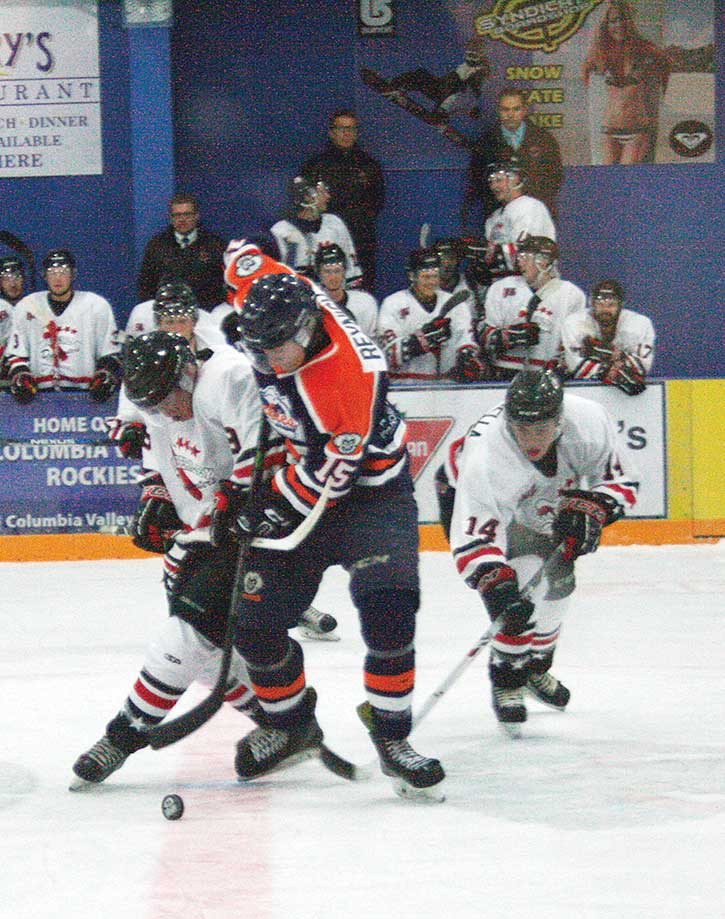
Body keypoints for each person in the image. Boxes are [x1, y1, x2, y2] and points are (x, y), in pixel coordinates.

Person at [212, 244, 445, 800]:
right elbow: (238, 255)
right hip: (308, 464)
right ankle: (291, 726)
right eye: (257, 348)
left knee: (389, 607)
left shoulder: (346, 387)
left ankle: (392, 736)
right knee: (252, 620)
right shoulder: (273, 293)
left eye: (275, 350)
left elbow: (323, 486)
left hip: (369, 494)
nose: (264, 362)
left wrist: (264, 505)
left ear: (307, 329)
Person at [69, 331, 267, 788]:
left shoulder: (229, 380)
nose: (162, 413)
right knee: (210, 647)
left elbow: (261, 458)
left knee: (185, 638)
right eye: (149, 407)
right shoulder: (161, 397)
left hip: (256, 530)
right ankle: (282, 717)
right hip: (204, 533)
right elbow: (165, 454)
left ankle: (121, 738)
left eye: (164, 401)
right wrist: (157, 490)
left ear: (187, 372)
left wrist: (233, 503)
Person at [110, 279, 341, 642]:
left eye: (181, 316)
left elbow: (265, 443)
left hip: (259, 489)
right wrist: (156, 489)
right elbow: (146, 430)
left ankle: (280, 610)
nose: (175, 324)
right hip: (207, 482)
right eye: (167, 318)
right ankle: (207, 632)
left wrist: (234, 493)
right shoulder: (147, 370)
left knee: (249, 556)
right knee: (187, 567)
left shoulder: (226, 371)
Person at [440, 369, 639, 735]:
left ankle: (535, 668)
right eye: (522, 429)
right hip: (469, 497)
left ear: (559, 419)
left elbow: (620, 481)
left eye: (541, 429)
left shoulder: (589, 421)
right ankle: (507, 676)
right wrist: (495, 583)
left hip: (543, 496)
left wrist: (596, 507)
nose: (531, 439)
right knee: (518, 584)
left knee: (561, 582)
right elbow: (476, 534)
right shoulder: (487, 454)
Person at [5, 248, 121, 403]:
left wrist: (105, 372)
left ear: (73, 274)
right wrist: (21, 374)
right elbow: (16, 354)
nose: (57, 278)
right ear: (44, 276)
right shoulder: (27, 306)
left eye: (63, 272)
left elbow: (110, 352)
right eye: (52, 272)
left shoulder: (96, 306)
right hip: (40, 397)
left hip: (84, 396)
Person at [477, 236, 586, 380]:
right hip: (504, 373)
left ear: (543, 261)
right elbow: (484, 333)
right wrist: (506, 337)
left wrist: (560, 364)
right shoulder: (501, 288)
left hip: (547, 375)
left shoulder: (571, 294)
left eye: (525, 257)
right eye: (519, 256)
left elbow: (575, 343)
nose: (519, 262)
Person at [302, 109, 385, 291]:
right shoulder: (316, 165)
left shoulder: (369, 165)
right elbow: (305, 206)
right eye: (341, 128)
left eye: (352, 129)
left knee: (362, 290)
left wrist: (357, 221)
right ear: (331, 132)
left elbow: (377, 201)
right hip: (326, 239)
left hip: (360, 239)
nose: (347, 133)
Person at [377, 246, 485, 382]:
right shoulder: (393, 303)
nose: (432, 282)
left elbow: (465, 339)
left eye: (435, 276)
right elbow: (389, 355)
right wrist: (425, 339)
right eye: (426, 277)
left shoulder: (455, 304)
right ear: (412, 276)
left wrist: (467, 357)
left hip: (446, 388)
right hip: (403, 388)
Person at [582, 0, 670, 165]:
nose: (619, 24)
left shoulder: (645, 48)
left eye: (623, 19)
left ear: (630, 22)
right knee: (607, 180)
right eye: (613, 21)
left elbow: (666, 66)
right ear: (606, 25)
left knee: (628, 177)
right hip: (608, 130)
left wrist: (660, 100)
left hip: (637, 131)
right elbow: (585, 72)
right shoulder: (601, 52)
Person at [462, 88, 564, 224]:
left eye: (516, 109)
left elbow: (555, 176)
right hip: (499, 216)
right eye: (505, 109)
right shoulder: (485, 142)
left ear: (524, 110)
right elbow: (477, 179)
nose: (510, 114)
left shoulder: (544, 139)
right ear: (498, 110)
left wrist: (530, 202)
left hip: (536, 215)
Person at [561, 279, 655, 394]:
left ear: (620, 305)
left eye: (611, 304)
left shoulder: (639, 324)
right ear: (592, 304)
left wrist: (604, 355)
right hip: (583, 392)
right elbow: (574, 366)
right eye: (600, 304)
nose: (605, 309)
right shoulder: (574, 323)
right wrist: (615, 363)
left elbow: (642, 367)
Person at [137, 193, 226, 310]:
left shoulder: (215, 245)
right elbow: (146, 284)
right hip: (167, 315)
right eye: (177, 215)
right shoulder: (157, 246)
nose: (182, 220)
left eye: (187, 215)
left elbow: (223, 284)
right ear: (171, 218)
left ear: (197, 216)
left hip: (206, 313)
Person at [270, 177, 362, 287]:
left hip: (331, 299)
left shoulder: (334, 223)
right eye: (322, 192)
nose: (328, 196)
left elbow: (351, 274)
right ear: (307, 197)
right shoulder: (280, 231)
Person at [384, 37, 491, 124]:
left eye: (473, 54)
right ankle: (398, 85)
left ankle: (440, 114)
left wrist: (443, 111)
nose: (469, 56)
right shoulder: (467, 66)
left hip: (451, 94)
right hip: (441, 88)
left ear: (481, 55)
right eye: (469, 53)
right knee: (421, 73)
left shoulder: (480, 71)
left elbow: (466, 94)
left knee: (455, 85)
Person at [484, 159, 557, 282]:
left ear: (516, 180)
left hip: (531, 284)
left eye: (499, 180)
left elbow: (528, 250)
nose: (493, 186)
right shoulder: (494, 216)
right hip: (503, 285)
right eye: (491, 181)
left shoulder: (530, 206)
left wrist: (493, 252)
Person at [313, 242, 378, 339]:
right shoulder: (311, 304)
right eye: (327, 271)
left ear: (344, 271)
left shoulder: (365, 303)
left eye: (337, 271)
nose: (333, 277)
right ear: (319, 273)